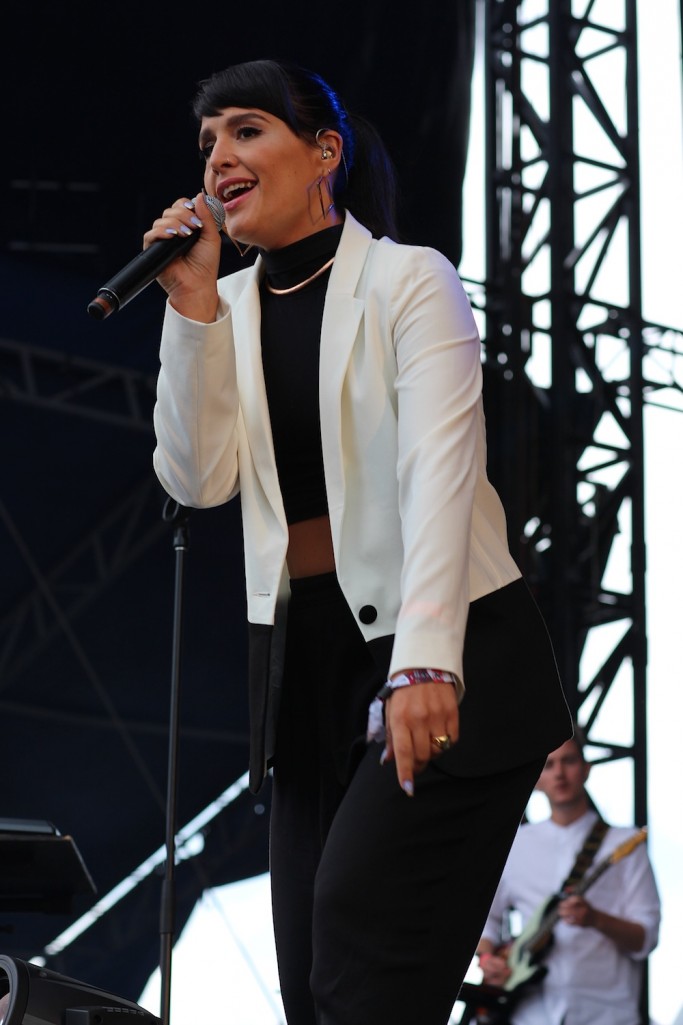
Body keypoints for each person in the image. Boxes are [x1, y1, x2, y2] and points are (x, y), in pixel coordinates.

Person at [149, 58, 571, 1025]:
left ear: (323, 153)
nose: (218, 157)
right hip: (306, 668)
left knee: (356, 939)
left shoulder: (407, 280)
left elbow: (439, 473)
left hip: (449, 647)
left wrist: (424, 660)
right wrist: (190, 307)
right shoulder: (227, 309)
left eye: (246, 130)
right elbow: (196, 477)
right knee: (312, 978)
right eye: (208, 142)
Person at [475, 733, 661, 1025]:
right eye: (549, 765)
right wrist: (487, 959)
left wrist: (596, 919)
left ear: (586, 769)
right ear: (536, 779)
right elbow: (483, 920)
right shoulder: (515, 845)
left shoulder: (625, 844)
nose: (559, 773)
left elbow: (646, 937)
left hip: (605, 1014)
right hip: (530, 1014)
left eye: (569, 761)